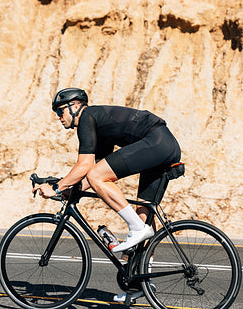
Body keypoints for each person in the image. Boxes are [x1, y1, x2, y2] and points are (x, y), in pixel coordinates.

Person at [33, 87, 181, 253]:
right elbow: (93, 171)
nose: (59, 117)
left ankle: (137, 229)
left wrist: (57, 188)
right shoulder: (99, 126)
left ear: (75, 106)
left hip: (156, 141)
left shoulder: (86, 117)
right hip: (164, 145)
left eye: (60, 111)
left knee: (99, 178)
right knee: (144, 213)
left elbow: (85, 166)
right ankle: (144, 274)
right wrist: (72, 189)